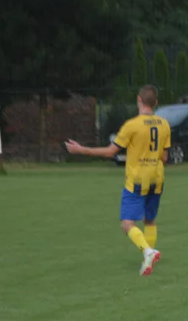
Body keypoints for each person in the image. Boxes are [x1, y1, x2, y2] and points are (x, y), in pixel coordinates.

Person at [65, 85, 170, 276]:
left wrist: (81, 150)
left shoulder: (132, 125)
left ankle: (148, 252)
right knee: (150, 219)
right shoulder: (164, 124)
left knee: (127, 224)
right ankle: (149, 257)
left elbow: (111, 151)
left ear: (139, 100)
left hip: (137, 180)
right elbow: (164, 157)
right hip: (157, 179)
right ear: (155, 103)